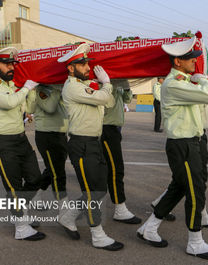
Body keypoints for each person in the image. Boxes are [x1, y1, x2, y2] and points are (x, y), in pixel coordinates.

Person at [137, 37, 208, 260]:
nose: (195, 62)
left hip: (191, 141)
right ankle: (195, 242)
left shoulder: (184, 82)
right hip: (183, 144)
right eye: (190, 59)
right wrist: (203, 79)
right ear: (177, 63)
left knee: (179, 188)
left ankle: (149, 227)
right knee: (195, 191)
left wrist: (197, 80)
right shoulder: (174, 84)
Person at [59, 43, 123, 251]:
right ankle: (97, 234)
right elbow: (106, 97)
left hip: (94, 142)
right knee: (91, 191)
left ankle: (68, 216)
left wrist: (102, 88)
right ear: (71, 68)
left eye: (87, 63)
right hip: (81, 144)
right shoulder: (73, 87)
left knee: (99, 189)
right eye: (82, 64)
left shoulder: (87, 86)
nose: (88, 67)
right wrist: (105, 84)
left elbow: (110, 102)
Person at [0, 47, 45, 240]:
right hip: (3, 143)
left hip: (21, 139)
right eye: (7, 64)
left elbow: (25, 108)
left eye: (12, 64)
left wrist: (31, 91)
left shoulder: (10, 85)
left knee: (35, 179)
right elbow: (9, 103)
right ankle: (21, 228)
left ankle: (21, 212)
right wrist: (26, 87)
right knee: (13, 186)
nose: (11, 68)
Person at [26, 84, 70, 220]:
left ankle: (36, 195)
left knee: (53, 169)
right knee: (58, 174)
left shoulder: (60, 89)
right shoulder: (42, 90)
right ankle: (64, 209)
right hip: (47, 136)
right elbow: (50, 107)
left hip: (60, 134)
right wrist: (57, 89)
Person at [101, 79, 141, 224]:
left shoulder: (116, 83)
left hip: (115, 129)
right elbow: (107, 104)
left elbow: (127, 99)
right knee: (115, 169)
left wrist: (126, 87)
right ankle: (120, 208)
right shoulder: (103, 84)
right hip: (106, 129)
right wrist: (109, 85)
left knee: (108, 171)